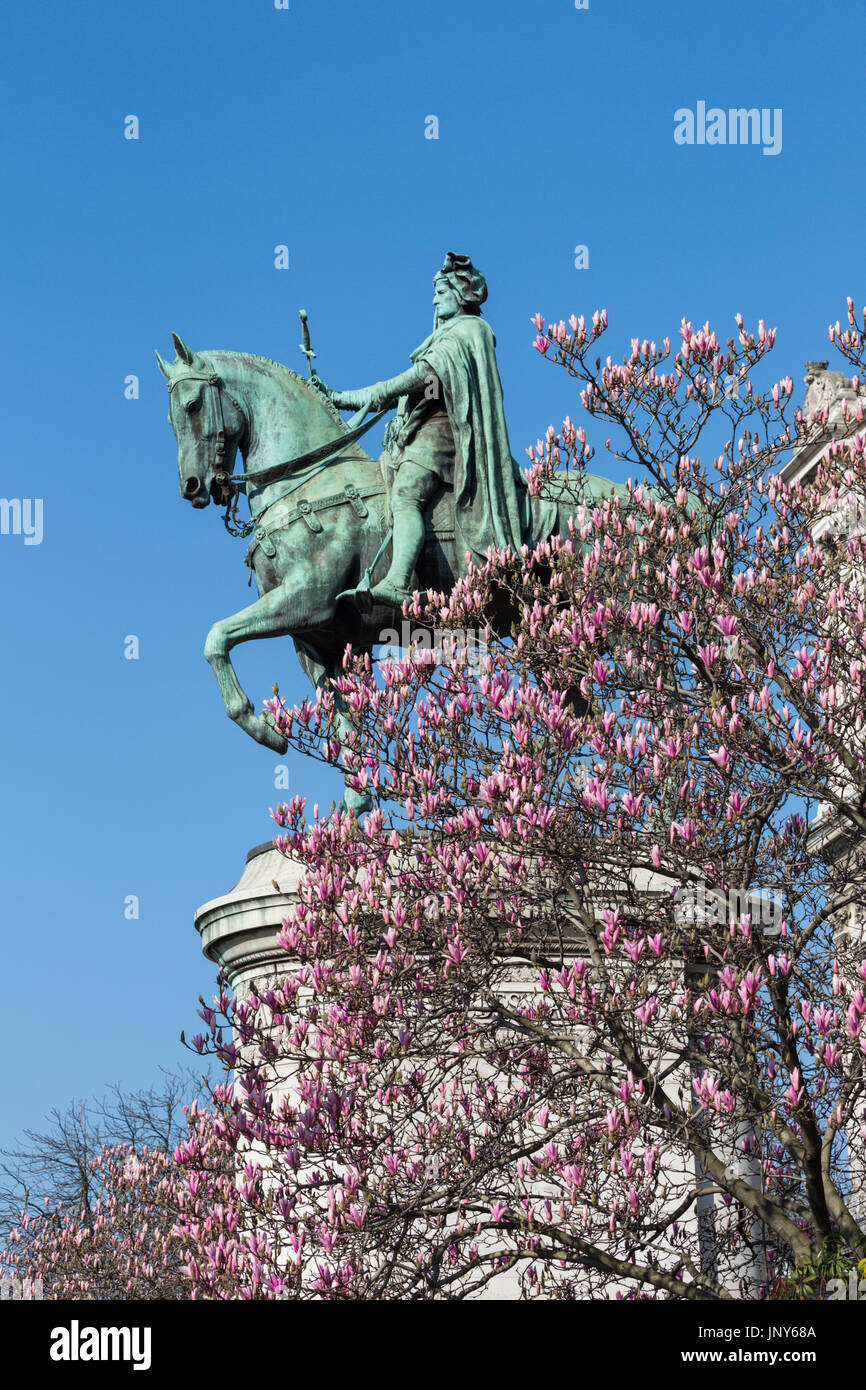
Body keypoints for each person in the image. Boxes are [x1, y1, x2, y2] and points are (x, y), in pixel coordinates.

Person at [330, 253, 528, 607]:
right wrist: (339, 398)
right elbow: (410, 388)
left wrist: (357, 395)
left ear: (459, 292)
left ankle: (398, 581)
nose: (435, 299)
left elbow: (420, 378)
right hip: (425, 432)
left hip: (444, 435)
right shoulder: (448, 334)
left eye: (440, 291)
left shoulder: (469, 330)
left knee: (406, 494)